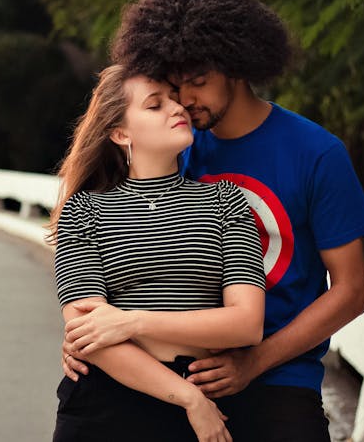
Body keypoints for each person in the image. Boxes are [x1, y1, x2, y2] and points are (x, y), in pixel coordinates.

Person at [62, 0, 364, 442]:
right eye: (171, 87)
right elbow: (126, 243)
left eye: (196, 80)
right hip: (178, 367)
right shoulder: (178, 146)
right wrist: (91, 338)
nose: (184, 100)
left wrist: (255, 361)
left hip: (279, 373)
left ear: (236, 63)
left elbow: (351, 291)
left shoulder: (316, 153)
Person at [49, 64, 266, 441]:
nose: (177, 108)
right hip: (108, 404)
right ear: (120, 132)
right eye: (155, 105)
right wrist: (188, 399)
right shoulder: (85, 211)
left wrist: (133, 322)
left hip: (204, 402)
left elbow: (247, 324)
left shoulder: (224, 202)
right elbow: (88, 336)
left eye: (174, 99)